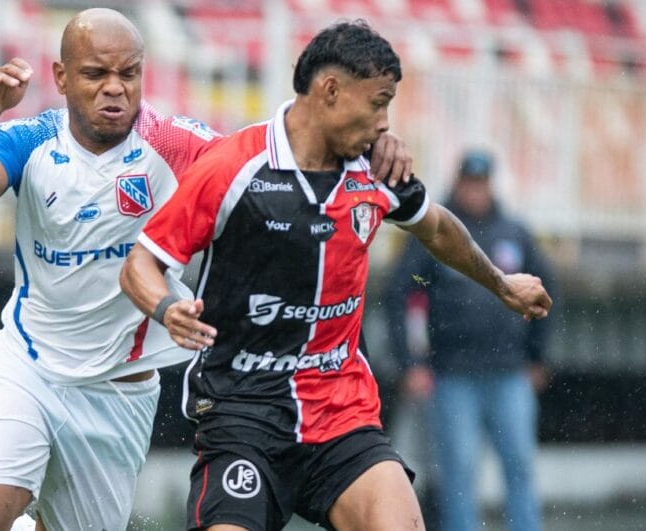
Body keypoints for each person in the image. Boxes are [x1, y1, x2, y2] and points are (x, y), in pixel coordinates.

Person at [0, 8, 416, 530]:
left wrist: (368, 140)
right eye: (96, 74)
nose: (114, 88)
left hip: (119, 391)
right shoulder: (32, 140)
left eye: (129, 73)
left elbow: (276, 157)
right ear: (62, 77)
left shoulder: (178, 144)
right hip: (27, 366)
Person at [119, 20, 552, 531]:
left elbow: (437, 227)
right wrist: (167, 308)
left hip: (342, 415)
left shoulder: (376, 171)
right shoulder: (232, 168)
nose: (385, 124)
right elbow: (141, 264)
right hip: (243, 414)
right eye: (377, 103)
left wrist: (501, 284)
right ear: (330, 91)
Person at [384, 149, 552, 531]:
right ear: (458, 183)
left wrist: (537, 356)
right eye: (469, 183)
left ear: (491, 186)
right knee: (458, 472)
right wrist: (410, 363)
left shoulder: (514, 232)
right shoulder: (435, 231)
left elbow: (547, 291)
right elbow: (401, 291)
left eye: (481, 184)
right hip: (452, 374)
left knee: (520, 465)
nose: (475, 191)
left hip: (509, 372)